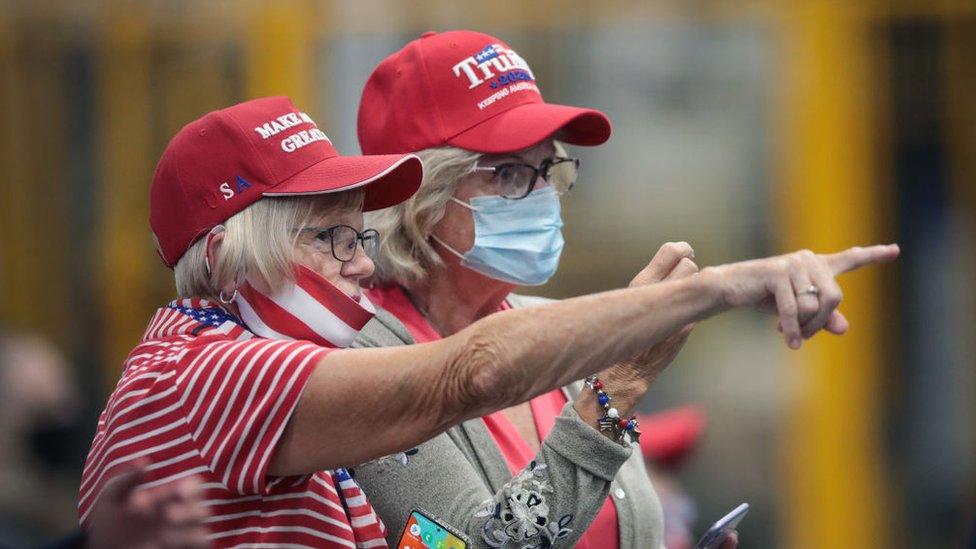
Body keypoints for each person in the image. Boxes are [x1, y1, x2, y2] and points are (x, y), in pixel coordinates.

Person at [79, 95, 895, 548]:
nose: (359, 262)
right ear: (226, 258)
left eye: (358, 235)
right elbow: (472, 373)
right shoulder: (207, 369)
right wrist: (715, 290)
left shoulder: (280, 393)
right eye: (330, 237)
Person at [351, 30, 889, 548]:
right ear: (420, 198)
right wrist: (617, 390)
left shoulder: (553, 325)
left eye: (550, 169)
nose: (544, 196)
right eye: (510, 174)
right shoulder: (364, 363)